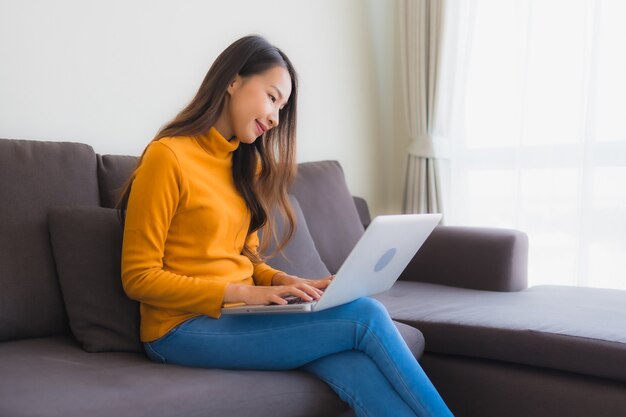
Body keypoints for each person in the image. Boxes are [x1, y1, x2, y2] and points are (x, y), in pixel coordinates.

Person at [117, 34, 454, 417]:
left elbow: (248, 260)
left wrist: (284, 283)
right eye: (272, 97)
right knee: (367, 315)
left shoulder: (248, 167)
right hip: (177, 329)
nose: (276, 118)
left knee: (357, 368)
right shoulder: (168, 156)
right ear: (233, 81)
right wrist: (241, 294)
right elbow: (138, 277)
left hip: (235, 315)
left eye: (282, 106)